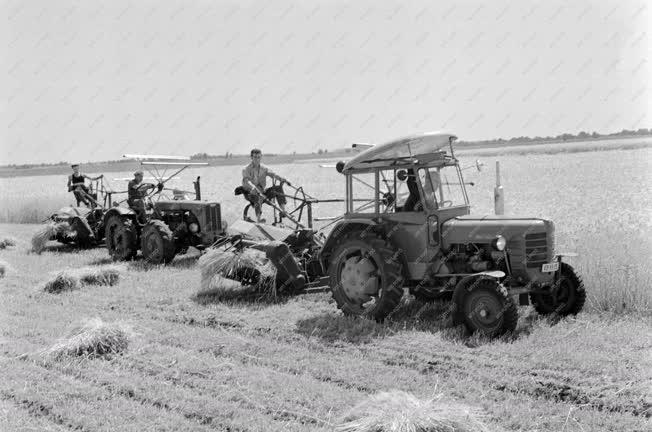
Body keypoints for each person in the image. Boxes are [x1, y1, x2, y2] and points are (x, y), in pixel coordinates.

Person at [241, 148, 290, 223]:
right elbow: (246, 181)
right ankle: (258, 220)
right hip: (250, 193)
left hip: (262, 191)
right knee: (258, 196)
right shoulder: (246, 169)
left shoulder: (264, 168)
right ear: (251, 157)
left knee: (278, 188)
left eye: (258, 157)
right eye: (255, 157)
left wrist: (282, 179)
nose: (257, 159)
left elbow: (273, 174)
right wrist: (253, 188)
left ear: (261, 157)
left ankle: (283, 211)